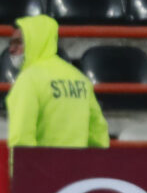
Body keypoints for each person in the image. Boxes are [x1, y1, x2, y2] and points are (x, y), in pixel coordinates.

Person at [5, 14, 109, 173]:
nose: (11, 49)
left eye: (18, 42)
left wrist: (19, 176)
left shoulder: (28, 80)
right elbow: (98, 134)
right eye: (11, 43)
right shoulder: (79, 78)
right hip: (77, 174)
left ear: (35, 40)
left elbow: (21, 139)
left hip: (42, 174)